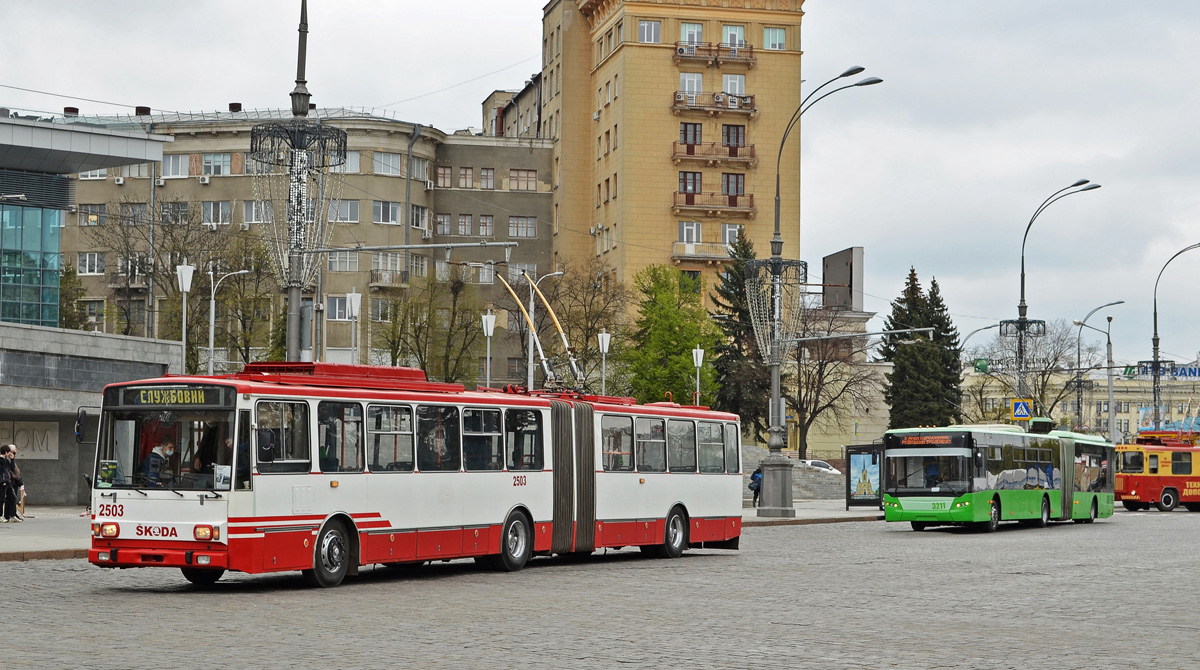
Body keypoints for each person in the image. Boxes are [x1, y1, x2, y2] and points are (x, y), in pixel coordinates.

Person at [0, 443, 18, 522]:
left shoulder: (6, 461)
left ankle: (11, 515)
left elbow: (12, 468)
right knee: (1, 499)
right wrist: (2, 480)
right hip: (3, 482)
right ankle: (0, 516)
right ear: (6, 452)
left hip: (8, 482)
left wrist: (12, 459)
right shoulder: (0, 461)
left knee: (13, 497)